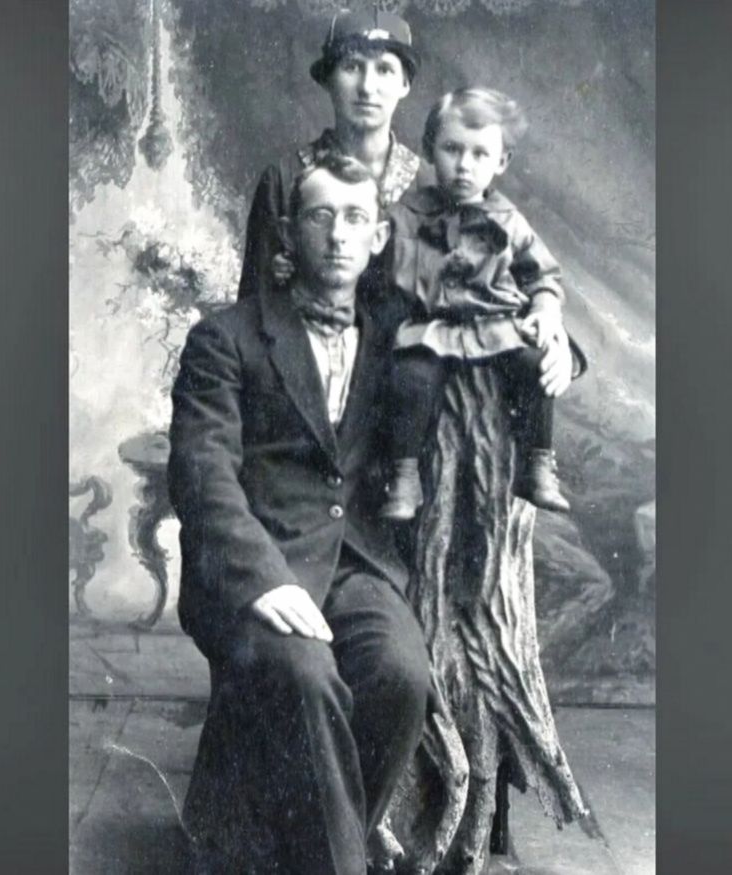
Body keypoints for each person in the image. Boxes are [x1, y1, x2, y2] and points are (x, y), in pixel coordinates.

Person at [168, 154, 430, 875]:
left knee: (402, 676)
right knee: (304, 676)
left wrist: (551, 332)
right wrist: (262, 579)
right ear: (288, 232)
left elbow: (491, 327)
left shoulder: (395, 335)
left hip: (355, 565)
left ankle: (300, 851)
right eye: (321, 216)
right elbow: (202, 473)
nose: (339, 234)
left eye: (355, 218)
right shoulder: (226, 337)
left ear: (378, 236)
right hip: (258, 568)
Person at [379, 87, 587, 520]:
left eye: (480, 154)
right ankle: (404, 474)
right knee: (412, 376)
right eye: (452, 149)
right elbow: (372, 262)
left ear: (502, 162)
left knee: (535, 365)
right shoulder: (405, 214)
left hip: (496, 328)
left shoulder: (509, 220)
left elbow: (543, 275)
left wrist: (545, 310)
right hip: (432, 327)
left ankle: (537, 462)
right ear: (429, 149)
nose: (464, 165)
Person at [237, 7, 424, 303]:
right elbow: (253, 308)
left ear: (405, 84)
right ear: (327, 80)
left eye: (384, 70)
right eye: (352, 67)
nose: (367, 87)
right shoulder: (284, 179)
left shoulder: (430, 184)